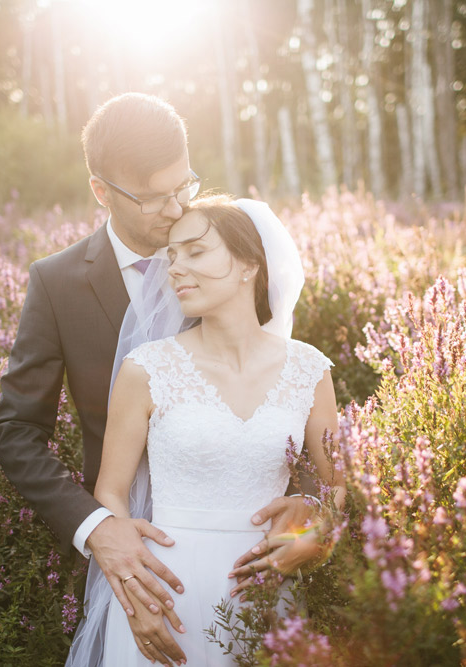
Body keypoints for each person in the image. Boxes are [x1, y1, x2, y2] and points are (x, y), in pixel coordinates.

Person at [0, 93, 319, 664]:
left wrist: (309, 521)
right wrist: (97, 529)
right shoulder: (57, 282)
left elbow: (283, 408)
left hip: (247, 567)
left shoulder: (225, 254)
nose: (175, 209)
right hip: (131, 561)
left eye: (183, 185)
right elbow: (16, 428)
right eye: (155, 197)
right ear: (102, 191)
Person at [70, 195, 344, 665]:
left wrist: (311, 536)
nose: (175, 268)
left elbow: (344, 485)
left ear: (249, 266)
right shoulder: (147, 369)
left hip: (266, 591)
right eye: (172, 256)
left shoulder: (309, 369)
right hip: (167, 591)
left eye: (196, 252)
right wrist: (135, 592)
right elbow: (111, 492)